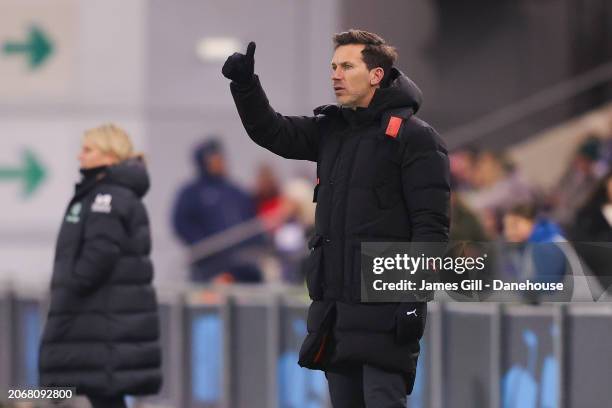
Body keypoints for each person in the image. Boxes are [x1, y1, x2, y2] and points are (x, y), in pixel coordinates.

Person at [223, 29, 450, 407]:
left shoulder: (417, 139)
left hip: (386, 317)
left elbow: (431, 228)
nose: (336, 75)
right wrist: (246, 86)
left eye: (347, 66)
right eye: (333, 67)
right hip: (335, 315)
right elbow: (272, 131)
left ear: (376, 75)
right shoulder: (332, 131)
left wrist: (412, 299)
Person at [38, 125, 162, 408]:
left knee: (104, 394)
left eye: (88, 150)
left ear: (109, 155)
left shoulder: (108, 197)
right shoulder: (104, 194)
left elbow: (99, 254)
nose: (80, 156)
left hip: (102, 319)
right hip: (100, 318)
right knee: (103, 394)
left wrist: (71, 284)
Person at [172, 138, 262, 283]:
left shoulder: (236, 191)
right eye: (214, 158)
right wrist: (204, 247)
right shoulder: (191, 192)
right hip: (209, 267)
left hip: (242, 266)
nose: (220, 161)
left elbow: (252, 220)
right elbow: (181, 223)